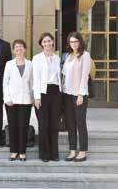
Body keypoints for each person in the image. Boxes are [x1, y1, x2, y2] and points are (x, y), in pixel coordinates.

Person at [33, 32, 62, 162]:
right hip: (43, 93)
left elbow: (59, 77)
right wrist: (37, 97)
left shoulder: (57, 58)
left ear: (52, 42)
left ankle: (54, 153)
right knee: (43, 124)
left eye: (49, 41)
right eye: (44, 42)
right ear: (41, 44)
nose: (47, 43)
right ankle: (44, 154)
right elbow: (36, 79)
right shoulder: (37, 58)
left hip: (55, 92)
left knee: (54, 124)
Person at [62, 32, 90, 162]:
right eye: (71, 42)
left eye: (75, 41)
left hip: (78, 95)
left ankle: (83, 151)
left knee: (80, 123)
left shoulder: (85, 55)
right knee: (70, 124)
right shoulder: (68, 56)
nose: (73, 44)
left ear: (80, 42)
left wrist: (81, 94)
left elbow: (84, 77)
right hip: (67, 94)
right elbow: (65, 75)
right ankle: (72, 150)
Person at [3, 39, 33, 161]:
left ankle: (22, 152)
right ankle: (14, 151)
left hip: (26, 100)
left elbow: (32, 82)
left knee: (23, 126)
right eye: (16, 47)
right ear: (13, 50)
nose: (19, 49)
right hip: (11, 100)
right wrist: (7, 98)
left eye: (21, 47)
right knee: (13, 126)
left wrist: (32, 97)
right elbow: (5, 82)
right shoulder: (9, 64)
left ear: (25, 49)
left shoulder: (30, 64)